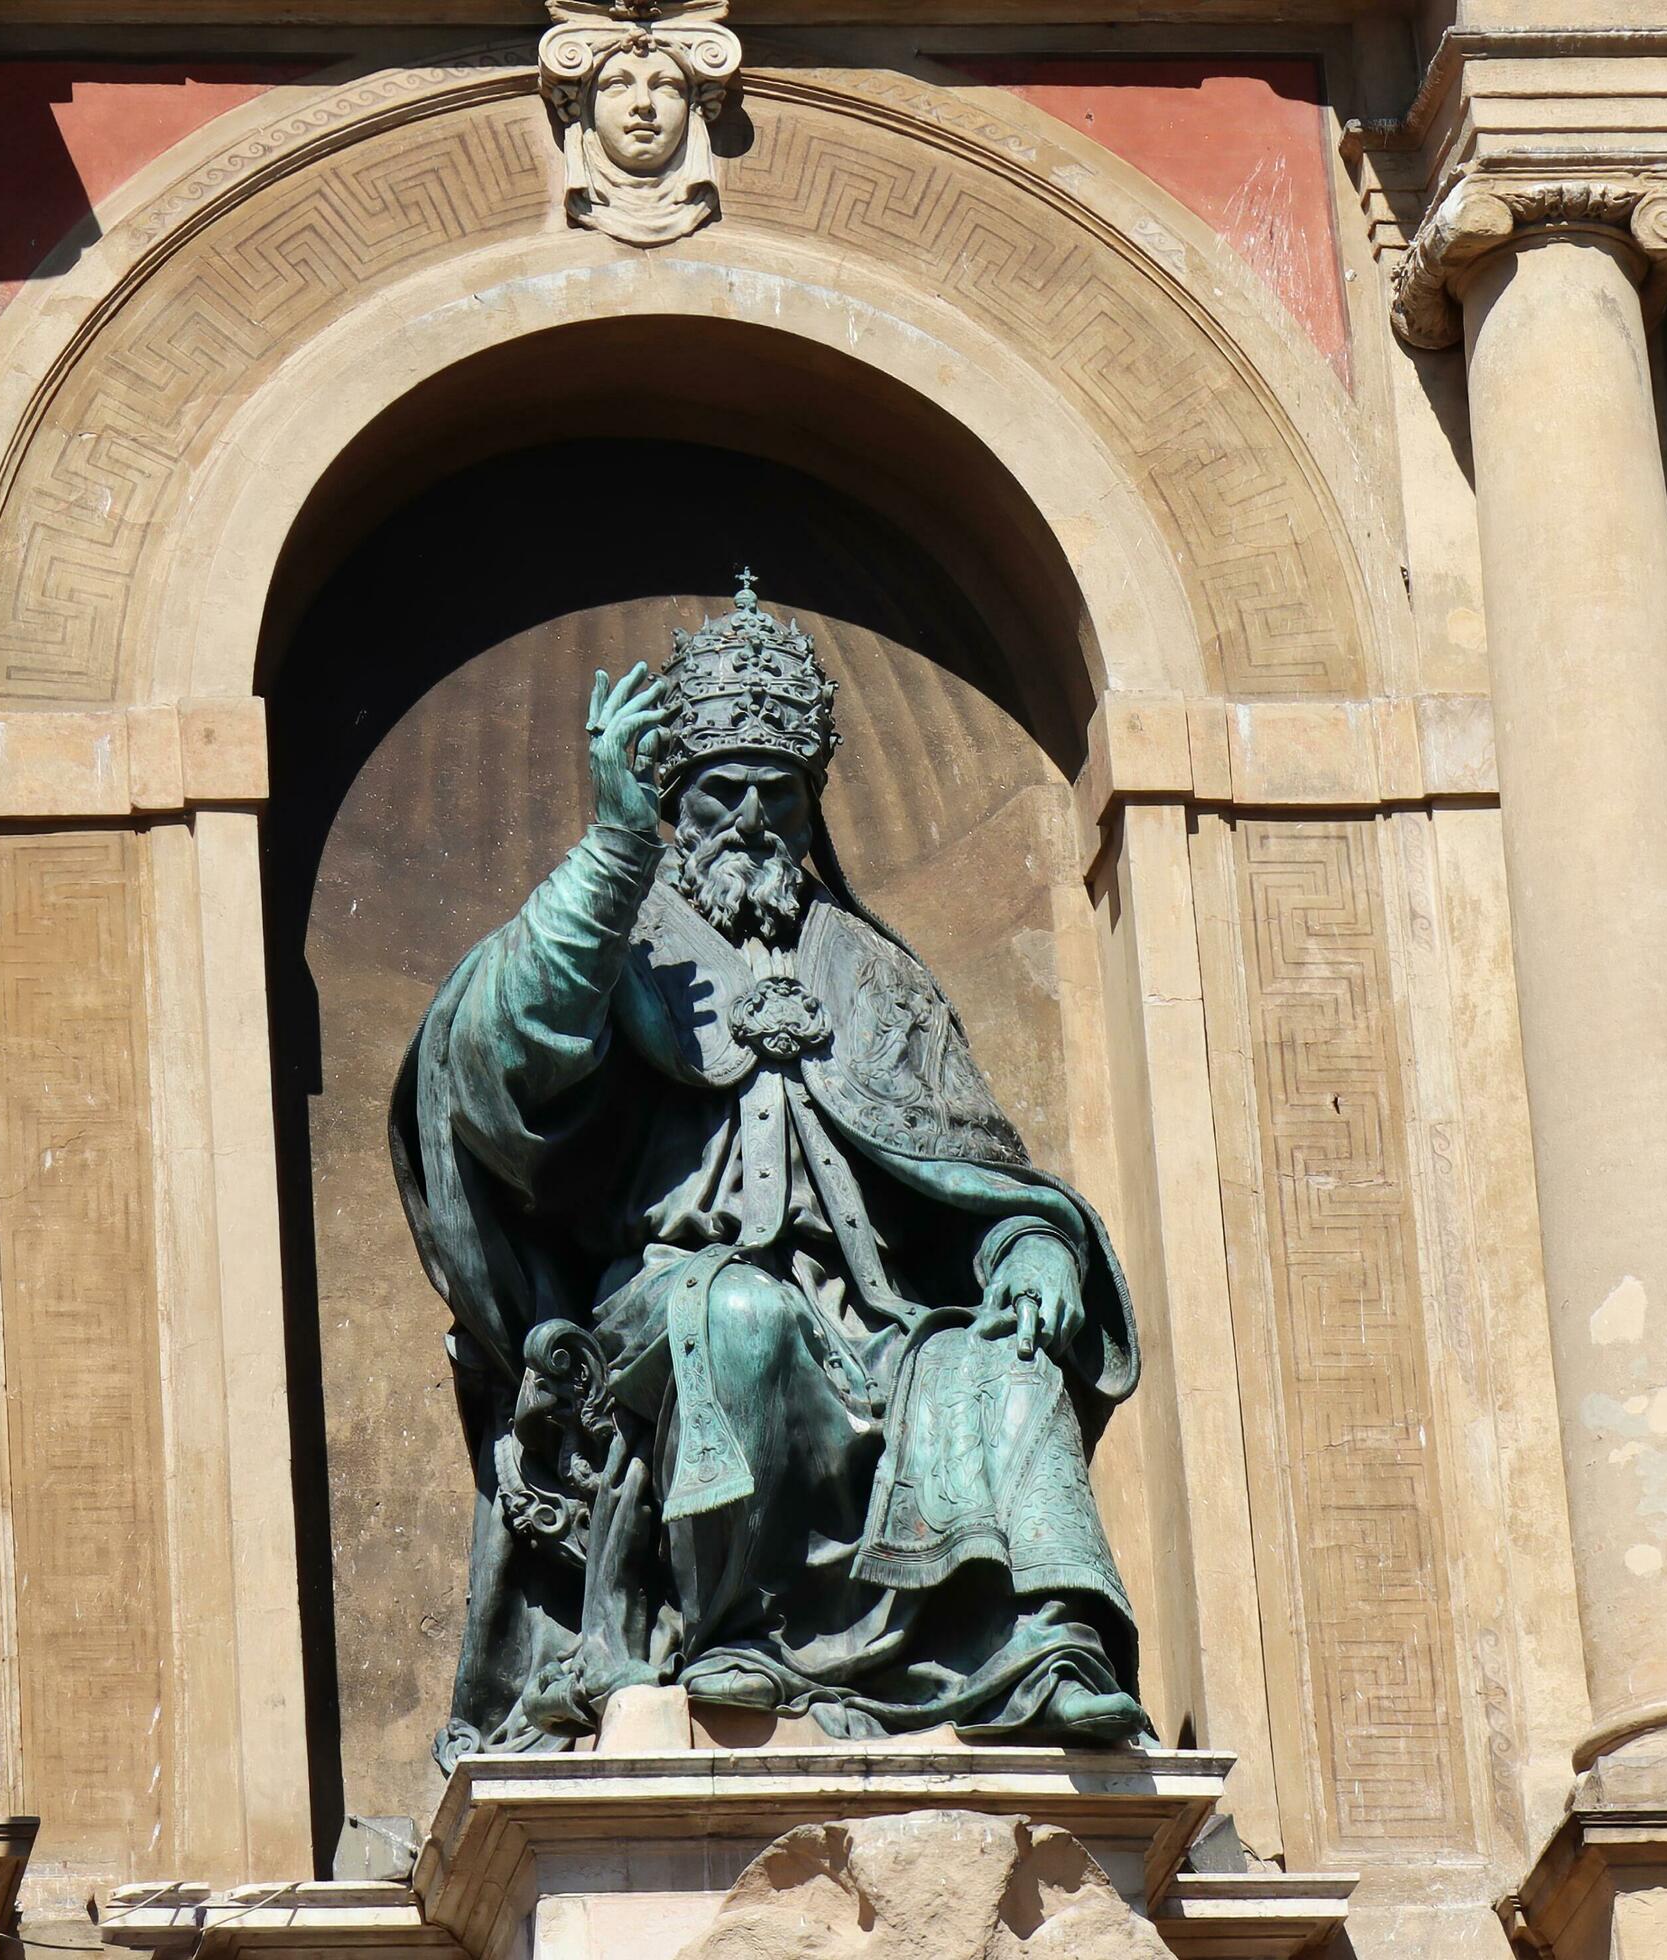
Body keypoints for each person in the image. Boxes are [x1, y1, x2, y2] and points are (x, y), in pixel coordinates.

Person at [394, 578, 1150, 1765]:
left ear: (811, 807)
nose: (750, 819)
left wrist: (1036, 1248)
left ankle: (1041, 1655)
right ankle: (729, 1637)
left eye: (778, 796)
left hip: (876, 1316)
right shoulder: (623, 935)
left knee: (995, 1364)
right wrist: (610, 847)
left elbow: (975, 1166)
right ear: (676, 801)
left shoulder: (869, 969)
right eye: (720, 793)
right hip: (658, 1295)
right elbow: (502, 1056)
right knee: (742, 1320)